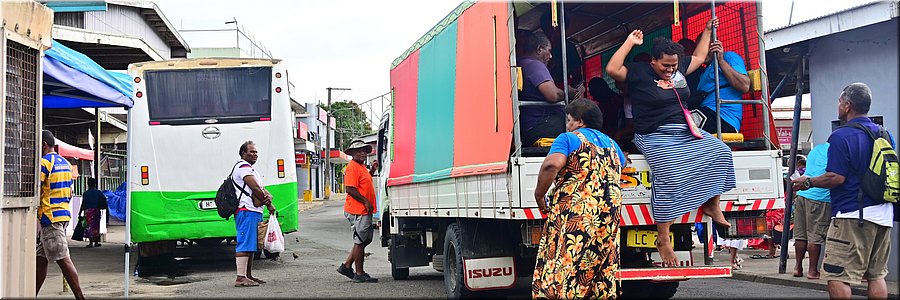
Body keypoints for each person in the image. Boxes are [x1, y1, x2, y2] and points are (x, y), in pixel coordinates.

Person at [606, 18, 735, 267]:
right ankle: (663, 238)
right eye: (665, 65)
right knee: (670, 170)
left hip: (686, 130)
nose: (670, 70)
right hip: (653, 134)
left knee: (721, 151)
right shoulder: (639, 72)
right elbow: (612, 69)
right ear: (654, 61)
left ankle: (712, 203)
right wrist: (629, 42)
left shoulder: (678, 68)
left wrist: (707, 31)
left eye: (674, 65)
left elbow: (697, 58)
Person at [792, 83, 894, 299]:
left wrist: (807, 182)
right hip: (884, 214)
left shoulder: (841, 136)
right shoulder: (885, 134)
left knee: (837, 276)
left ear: (847, 106)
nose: (838, 105)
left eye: (840, 102)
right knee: (876, 276)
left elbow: (836, 177)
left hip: (852, 216)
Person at [532, 99, 625, 298]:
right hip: (609, 212)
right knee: (601, 262)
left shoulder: (568, 139)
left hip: (577, 210)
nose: (567, 125)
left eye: (569, 120)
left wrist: (539, 195)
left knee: (567, 260)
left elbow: (552, 165)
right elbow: (619, 166)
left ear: (580, 122)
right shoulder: (613, 145)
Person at [36, 130, 84, 299]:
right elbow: (70, 192)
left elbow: (37, 190)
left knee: (63, 259)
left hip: (50, 217)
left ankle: (80, 297)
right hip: (62, 215)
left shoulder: (44, 163)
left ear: (43, 144)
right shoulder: (65, 163)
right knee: (40, 260)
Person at [518, 31, 575, 147]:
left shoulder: (521, 62)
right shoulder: (535, 65)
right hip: (540, 124)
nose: (551, 56)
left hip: (527, 126)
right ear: (539, 49)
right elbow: (552, 95)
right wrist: (567, 92)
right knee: (582, 122)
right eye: (549, 51)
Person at [232, 141, 276, 287]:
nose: (255, 154)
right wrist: (269, 204)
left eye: (256, 152)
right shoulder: (242, 167)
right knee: (244, 244)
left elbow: (261, 188)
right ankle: (240, 277)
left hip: (253, 210)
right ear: (243, 153)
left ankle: (248, 275)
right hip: (246, 210)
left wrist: (267, 195)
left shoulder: (251, 169)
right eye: (251, 152)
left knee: (251, 245)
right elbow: (256, 188)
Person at [337, 140, 379, 283]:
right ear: (352, 153)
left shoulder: (361, 167)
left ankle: (347, 266)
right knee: (360, 241)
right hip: (358, 210)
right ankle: (359, 273)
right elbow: (350, 188)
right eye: (358, 151)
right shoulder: (352, 167)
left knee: (364, 239)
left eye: (364, 150)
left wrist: (372, 170)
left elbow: (364, 182)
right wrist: (365, 201)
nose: (362, 153)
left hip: (364, 210)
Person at [693, 40, 750, 134]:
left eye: (703, 46)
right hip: (707, 114)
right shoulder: (704, 71)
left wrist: (721, 60)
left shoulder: (729, 57)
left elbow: (745, 86)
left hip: (723, 119)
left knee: (685, 120)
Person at [792, 143, 831, 279]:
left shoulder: (817, 149)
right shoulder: (835, 150)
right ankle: (813, 271)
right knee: (815, 235)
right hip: (820, 196)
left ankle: (798, 267)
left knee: (801, 234)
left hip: (803, 194)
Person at [541, 8, 584, 96]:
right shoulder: (539, 47)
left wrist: (569, 94)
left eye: (556, 28)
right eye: (548, 28)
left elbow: (577, 78)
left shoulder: (569, 48)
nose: (553, 32)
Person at [80, 178, 107, 248]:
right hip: (96, 211)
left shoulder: (86, 193)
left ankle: (91, 242)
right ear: (95, 184)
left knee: (89, 227)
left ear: (88, 184)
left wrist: (80, 212)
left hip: (88, 212)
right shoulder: (98, 192)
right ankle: (96, 242)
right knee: (96, 226)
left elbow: (83, 203)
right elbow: (103, 200)